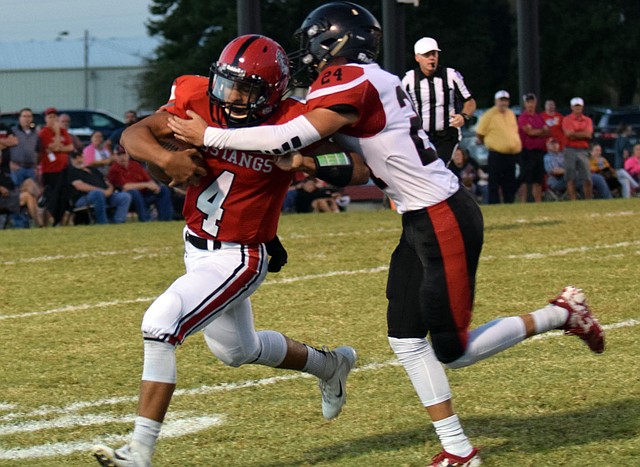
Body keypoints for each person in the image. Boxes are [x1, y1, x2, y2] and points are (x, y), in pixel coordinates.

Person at [167, 3, 606, 465]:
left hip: (443, 214)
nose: (307, 53)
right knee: (404, 338)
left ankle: (562, 313)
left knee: (452, 350)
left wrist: (211, 136)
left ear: (335, 41)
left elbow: (287, 135)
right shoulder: (366, 81)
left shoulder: (354, 77)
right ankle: (457, 449)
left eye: (313, 41)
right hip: (421, 217)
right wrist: (309, 164)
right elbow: (357, 165)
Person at [92, 34, 370, 467]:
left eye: (248, 89)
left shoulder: (291, 119)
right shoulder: (197, 98)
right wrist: (166, 162)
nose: (234, 97)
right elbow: (135, 134)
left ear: (273, 92)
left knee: (161, 322)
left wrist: (305, 162)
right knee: (236, 351)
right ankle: (329, 365)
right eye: (228, 85)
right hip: (196, 244)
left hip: (240, 254)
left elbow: (356, 168)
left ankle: (139, 451)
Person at [401, 37, 476, 164]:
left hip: (447, 134)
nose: (431, 58)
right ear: (417, 57)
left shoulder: (451, 75)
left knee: (438, 167)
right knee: (424, 171)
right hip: (421, 135)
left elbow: (469, 101)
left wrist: (464, 116)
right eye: (426, 55)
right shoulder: (409, 79)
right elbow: (399, 107)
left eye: (434, 54)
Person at [475, 90, 522, 204]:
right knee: (495, 181)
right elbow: (480, 132)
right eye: (501, 100)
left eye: (505, 100)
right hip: (496, 153)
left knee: (509, 181)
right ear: (496, 101)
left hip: (511, 154)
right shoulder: (489, 114)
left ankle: (509, 202)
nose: (503, 103)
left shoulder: (510, 113)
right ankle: (494, 203)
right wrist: (487, 143)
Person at [107, 145, 174, 221]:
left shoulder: (135, 165)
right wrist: (146, 185)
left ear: (128, 154)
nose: (122, 157)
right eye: (119, 155)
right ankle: (145, 218)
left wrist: (154, 186)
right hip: (130, 198)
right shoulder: (114, 169)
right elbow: (125, 187)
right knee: (134, 192)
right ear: (114, 156)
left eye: (124, 154)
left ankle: (166, 219)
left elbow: (149, 181)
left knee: (163, 189)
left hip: (144, 194)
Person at [68, 151, 131, 224]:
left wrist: (109, 190)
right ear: (71, 160)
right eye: (75, 158)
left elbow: (107, 182)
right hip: (84, 198)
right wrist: (102, 191)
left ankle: (119, 221)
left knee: (125, 196)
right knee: (97, 193)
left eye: (80, 156)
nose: (79, 159)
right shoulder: (72, 172)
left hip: (106, 195)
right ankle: (103, 222)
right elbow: (79, 186)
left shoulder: (93, 170)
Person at [38, 107, 74, 226]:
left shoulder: (64, 131)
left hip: (63, 168)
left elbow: (70, 147)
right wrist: (57, 133)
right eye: (50, 117)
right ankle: (46, 223)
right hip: (50, 170)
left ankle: (58, 221)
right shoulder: (44, 132)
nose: (53, 119)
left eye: (54, 117)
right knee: (51, 197)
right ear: (45, 119)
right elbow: (55, 147)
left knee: (62, 196)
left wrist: (60, 147)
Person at [517, 93, 548, 202]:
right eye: (528, 102)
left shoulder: (539, 117)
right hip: (527, 151)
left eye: (532, 102)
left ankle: (538, 202)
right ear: (525, 104)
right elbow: (529, 132)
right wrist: (540, 131)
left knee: (538, 179)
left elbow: (547, 131)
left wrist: (536, 132)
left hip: (539, 151)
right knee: (526, 178)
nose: (530, 104)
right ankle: (523, 202)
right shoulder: (523, 117)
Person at [562, 97, 593, 200]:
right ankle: (573, 200)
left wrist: (574, 133)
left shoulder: (587, 120)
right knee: (570, 177)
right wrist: (582, 133)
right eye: (575, 106)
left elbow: (588, 135)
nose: (577, 108)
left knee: (587, 177)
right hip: (570, 149)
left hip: (583, 150)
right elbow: (568, 134)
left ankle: (588, 199)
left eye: (579, 106)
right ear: (571, 107)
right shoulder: (567, 119)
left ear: (582, 107)